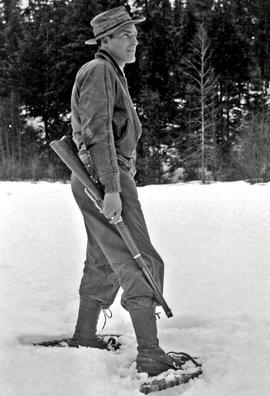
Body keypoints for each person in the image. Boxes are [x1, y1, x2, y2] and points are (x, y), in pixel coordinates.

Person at [70, 6, 178, 377]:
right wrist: (112, 187)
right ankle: (151, 354)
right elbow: (97, 131)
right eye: (126, 35)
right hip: (104, 178)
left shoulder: (109, 73)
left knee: (104, 259)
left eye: (135, 34)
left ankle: (85, 335)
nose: (135, 41)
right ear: (106, 41)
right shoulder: (100, 70)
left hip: (97, 179)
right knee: (141, 260)